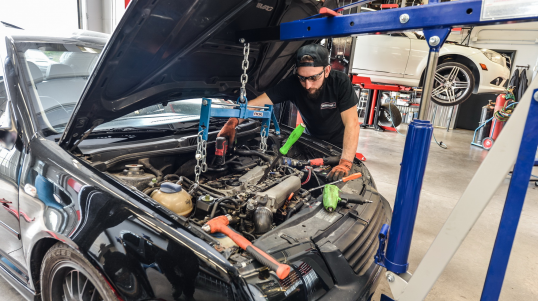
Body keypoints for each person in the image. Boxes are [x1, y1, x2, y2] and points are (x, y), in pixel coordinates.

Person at [217, 44, 360, 181]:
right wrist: (232, 122)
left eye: (313, 78)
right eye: (302, 78)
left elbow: (352, 123)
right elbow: (255, 104)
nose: (307, 85)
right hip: (313, 142)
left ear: (327, 71)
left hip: (339, 148)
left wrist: (346, 162)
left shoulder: (340, 83)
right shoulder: (293, 84)